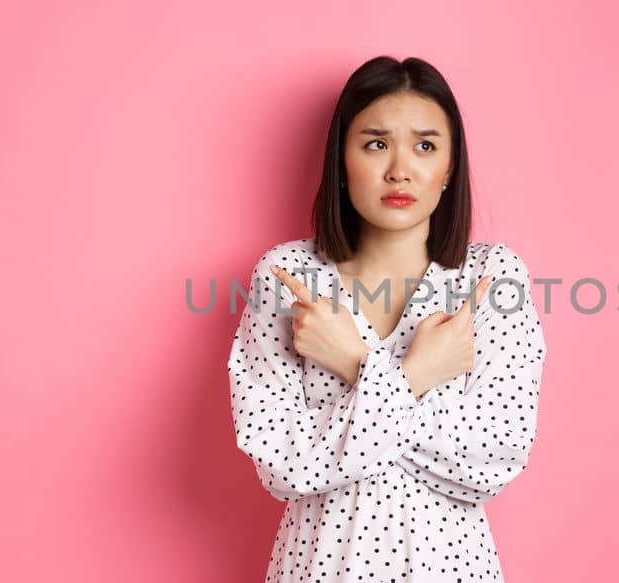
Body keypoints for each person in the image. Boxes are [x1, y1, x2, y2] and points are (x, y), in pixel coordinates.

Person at [226, 55, 548, 582]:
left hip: (451, 568)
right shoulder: (288, 277)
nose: (400, 168)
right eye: (375, 143)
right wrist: (415, 376)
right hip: (321, 566)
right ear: (342, 158)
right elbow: (284, 467)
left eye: (425, 146)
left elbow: (492, 461)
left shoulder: (492, 277)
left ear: (449, 167)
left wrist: (357, 364)